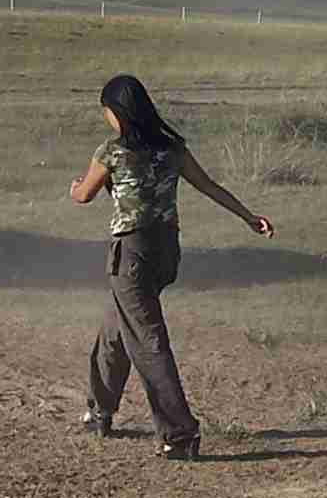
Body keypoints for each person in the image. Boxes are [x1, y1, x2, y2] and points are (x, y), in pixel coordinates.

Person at [68, 73, 274, 459]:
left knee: (147, 343)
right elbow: (209, 185)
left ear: (118, 113)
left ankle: (179, 435)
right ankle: (100, 409)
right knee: (117, 329)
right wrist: (248, 216)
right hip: (165, 252)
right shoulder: (172, 148)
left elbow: (83, 196)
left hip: (131, 255)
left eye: (107, 112)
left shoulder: (112, 152)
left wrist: (75, 186)